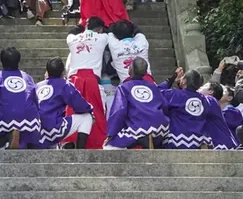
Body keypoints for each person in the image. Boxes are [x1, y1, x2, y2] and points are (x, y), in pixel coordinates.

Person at [0, 47, 40, 149]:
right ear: (19, 60)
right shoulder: (28, 78)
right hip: (30, 123)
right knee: (25, 133)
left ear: (1, 61)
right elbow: (36, 103)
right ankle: (22, 142)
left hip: (6, 122)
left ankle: (6, 140)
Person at [64, 17, 110, 148]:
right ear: (100, 29)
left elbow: (70, 33)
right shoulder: (102, 38)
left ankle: (69, 142)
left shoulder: (72, 39)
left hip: (73, 81)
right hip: (91, 80)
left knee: (72, 113)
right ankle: (95, 143)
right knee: (96, 112)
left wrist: (79, 28)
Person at [105, 57, 168, 149]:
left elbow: (119, 111)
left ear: (130, 69)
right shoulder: (153, 87)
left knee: (110, 147)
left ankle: (141, 139)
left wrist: (111, 134)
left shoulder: (124, 87)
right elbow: (165, 105)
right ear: (146, 72)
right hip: (161, 127)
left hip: (139, 126)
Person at [35, 58, 94, 149]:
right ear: (63, 72)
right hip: (53, 130)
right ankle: (80, 154)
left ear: (47, 71)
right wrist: (90, 110)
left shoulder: (37, 86)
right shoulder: (65, 84)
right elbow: (81, 105)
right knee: (87, 117)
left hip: (36, 132)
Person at [159, 68, 208, 149]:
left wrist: (173, 77)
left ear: (184, 81)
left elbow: (156, 92)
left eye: (183, 77)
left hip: (176, 140)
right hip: (199, 142)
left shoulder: (175, 94)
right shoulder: (203, 99)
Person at [199, 83, 242, 150]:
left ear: (229, 97)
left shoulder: (233, 112)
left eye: (224, 91)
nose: (200, 87)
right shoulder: (215, 108)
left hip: (226, 146)